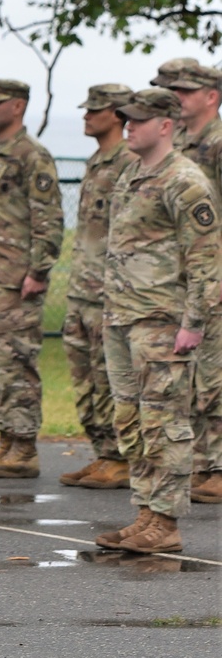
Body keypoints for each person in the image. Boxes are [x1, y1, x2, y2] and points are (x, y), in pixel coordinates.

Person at [95, 89, 222, 556]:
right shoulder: (132, 172)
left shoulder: (186, 181)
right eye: (126, 119)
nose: (128, 126)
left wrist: (194, 322)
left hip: (163, 321)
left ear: (166, 125)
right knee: (130, 418)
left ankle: (166, 520)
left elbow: (207, 259)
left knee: (165, 420)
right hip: (122, 317)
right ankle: (146, 510)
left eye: (139, 120)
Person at [0, 79, 64, 478]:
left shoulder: (32, 155)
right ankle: (6, 440)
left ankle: (24, 447)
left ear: (19, 106)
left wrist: (39, 271)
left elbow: (48, 217)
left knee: (18, 362)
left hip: (17, 278)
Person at [153, 61, 222, 503]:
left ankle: (216, 465)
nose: (175, 95)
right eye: (168, 89)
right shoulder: (179, 144)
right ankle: (200, 459)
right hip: (179, 277)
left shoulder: (216, 144)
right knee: (192, 375)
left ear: (211, 96)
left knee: (214, 373)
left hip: (210, 272)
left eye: (184, 89)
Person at [59, 85, 134, 489]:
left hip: (110, 290)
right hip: (83, 288)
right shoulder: (97, 161)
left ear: (118, 115)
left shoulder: (129, 162)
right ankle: (103, 451)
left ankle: (119, 457)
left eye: (96, 110)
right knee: (85, 377)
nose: (87, 116)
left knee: (111, 378)